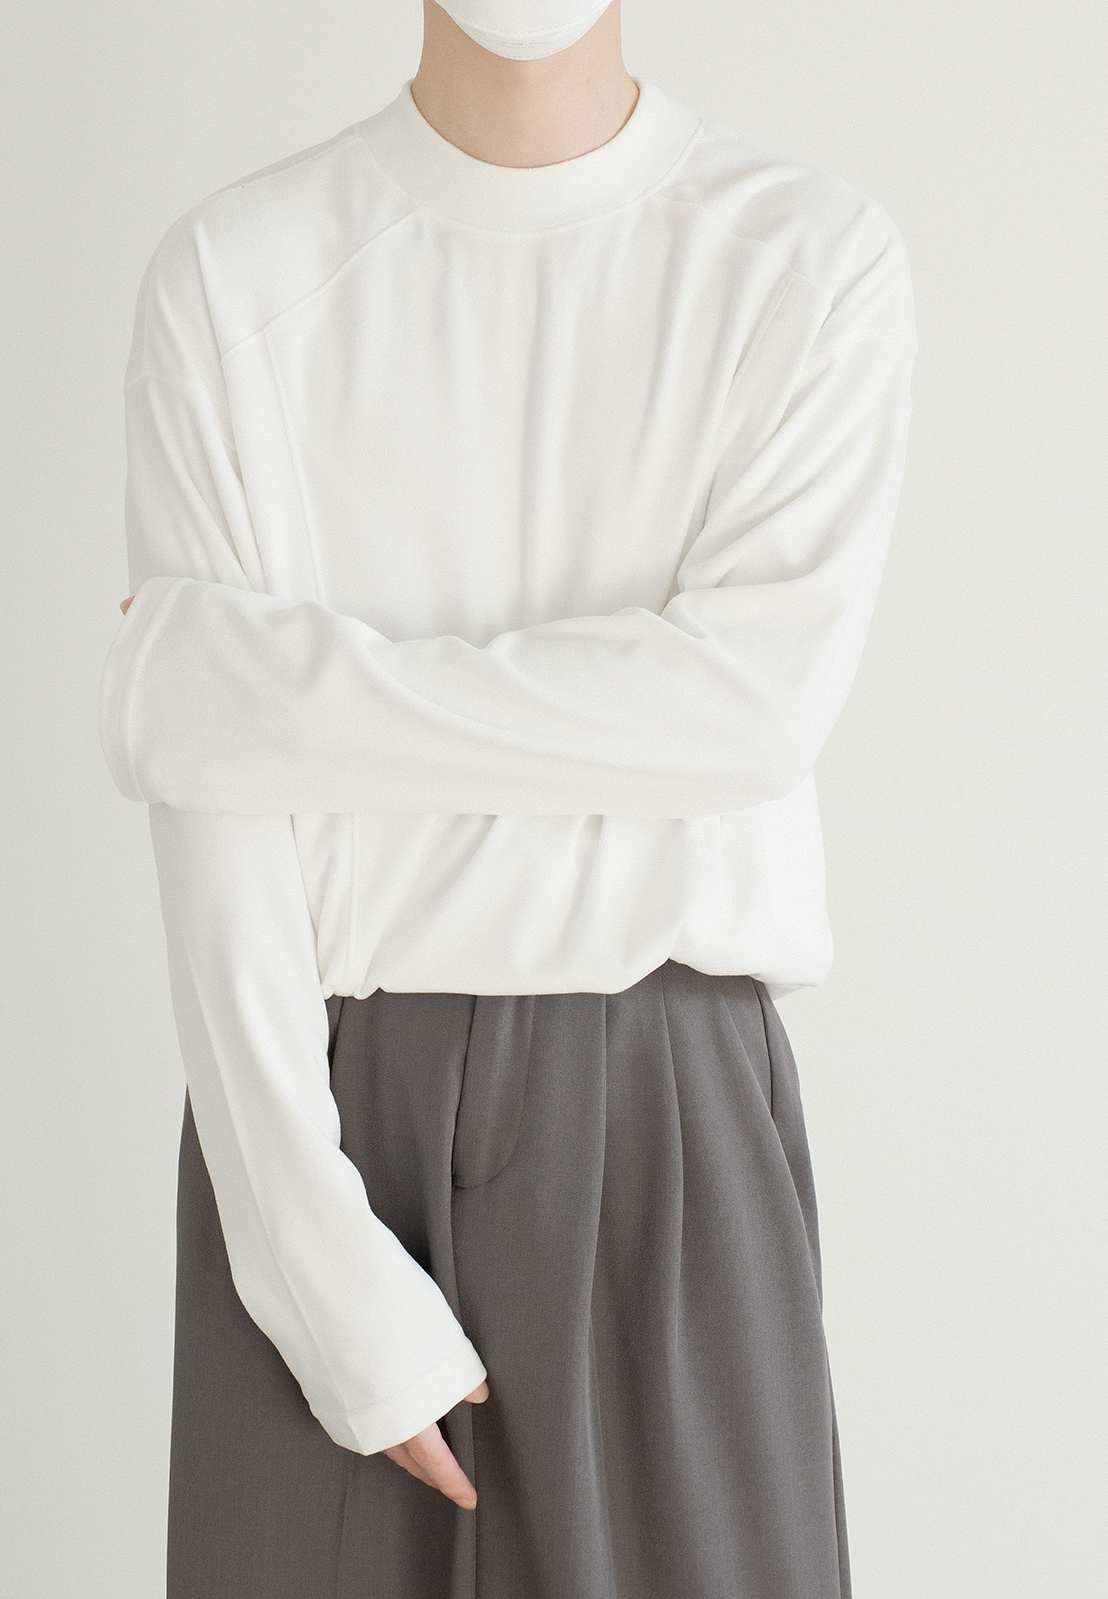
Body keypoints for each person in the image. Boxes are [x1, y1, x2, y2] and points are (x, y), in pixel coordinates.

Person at [100, 1, 916, 1593]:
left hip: (669, 1121)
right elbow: (216, 853)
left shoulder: (807, 260)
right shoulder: (235, 276)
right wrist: (315, 1267)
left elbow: (749, 715)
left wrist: (255, 697)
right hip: (326, 1116)